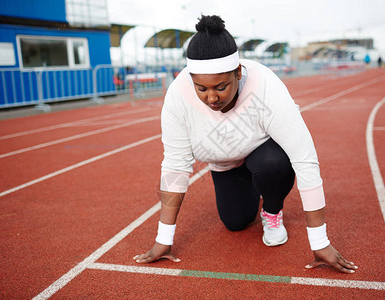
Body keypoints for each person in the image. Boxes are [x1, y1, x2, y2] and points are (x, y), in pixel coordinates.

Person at [134, 15, 358, 274]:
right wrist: (164, 239)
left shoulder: (266, 87)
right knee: (235, 222)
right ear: (190, 79)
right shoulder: (177, 96)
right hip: (225, 163)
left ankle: (272, 211)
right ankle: (250, 188)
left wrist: (320, 241)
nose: (211, 97)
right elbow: (175, 165)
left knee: (273, 164)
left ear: (238, 72)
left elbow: (304, 158)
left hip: (262, 153)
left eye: (220, 86)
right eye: (201, 88)